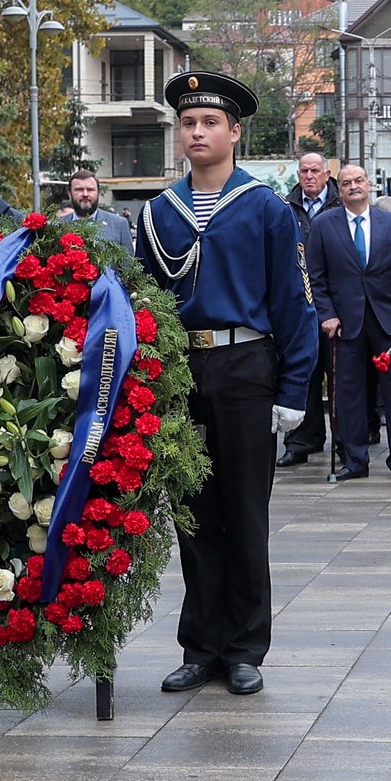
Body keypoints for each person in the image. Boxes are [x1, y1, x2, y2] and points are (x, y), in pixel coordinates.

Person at [137, 71, 315, 696]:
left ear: (235, 133)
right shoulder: (159, 212)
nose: (197, 132)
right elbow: (145, 303)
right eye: (187, 122)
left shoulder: (265, 207)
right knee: (192, 511)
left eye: (210, 122)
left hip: (245, 366)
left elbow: (294, 303)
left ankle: (244, 647)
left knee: (243, 510)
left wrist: (293, 391)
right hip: (182, 368)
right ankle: (200, 645)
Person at [306, 164, 391, 483]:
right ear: (339, 188)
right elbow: (315, 276)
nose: (353, 186)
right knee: (348, 393)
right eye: (346, 182)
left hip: (390, 321)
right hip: (344, 323)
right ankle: (355, 459)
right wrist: (326, 314)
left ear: (369, 184)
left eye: (358, 180)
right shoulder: (323, 224)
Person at [278, 151, 340, 468]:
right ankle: (301, 440)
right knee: (302, 373)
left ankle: (345, 441)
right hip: (299, 303)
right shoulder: (286, 206)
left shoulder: (340, 205)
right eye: (304, 171)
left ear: (327, 174)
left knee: (340, 376)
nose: (309, 176)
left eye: (315, 170)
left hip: (336, 303)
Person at [67, 169, 132, 247]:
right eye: (79, 190)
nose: (85, 194)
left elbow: (128, 255)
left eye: (90, 189)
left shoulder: (119, 225)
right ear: (70, 194)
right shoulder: (57, 225)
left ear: (98, 193)